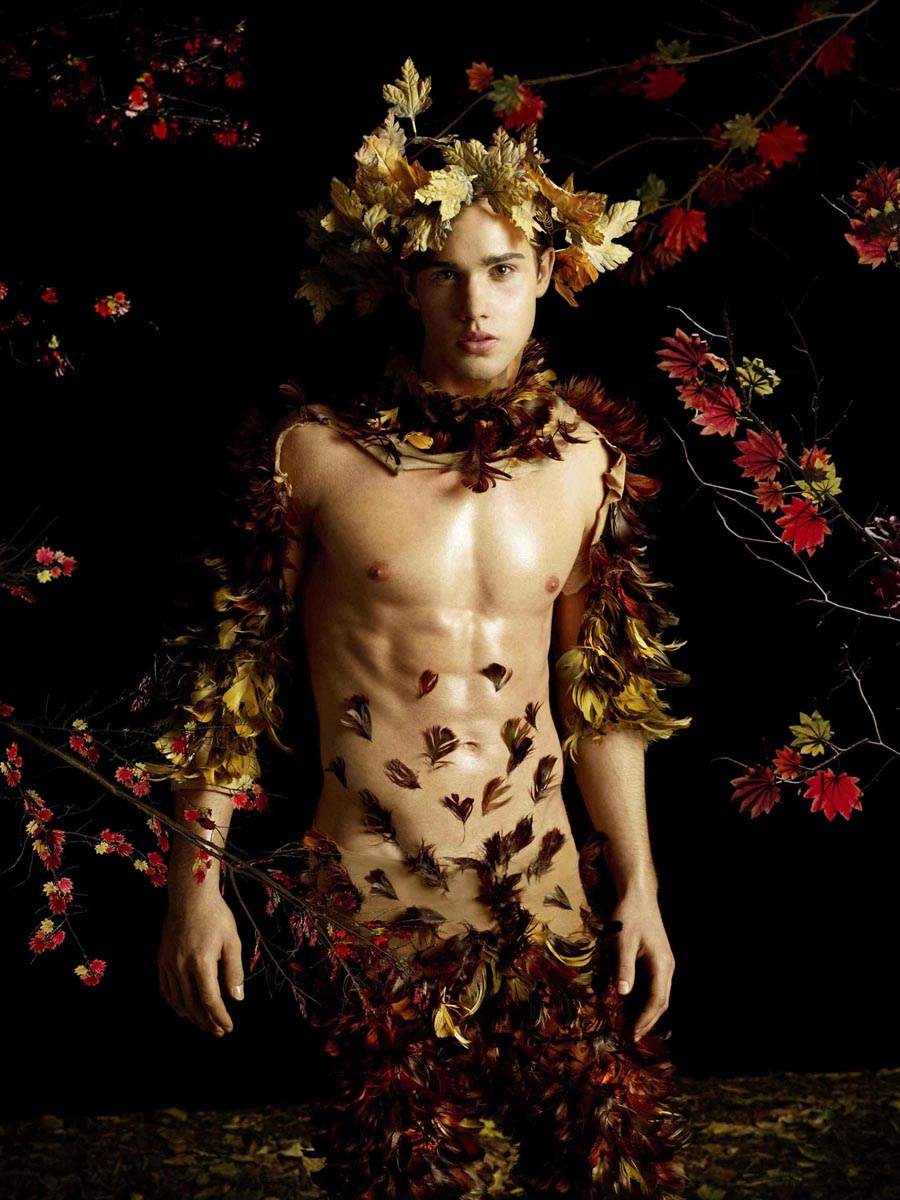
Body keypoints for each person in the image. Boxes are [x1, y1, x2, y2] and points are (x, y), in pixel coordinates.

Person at [150, 60, 693, 1200]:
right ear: (407, 286)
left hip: (543, 892)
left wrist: (639, 885)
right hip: (372, 900)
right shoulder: (315, 455)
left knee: (610, 1177)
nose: (475, 305)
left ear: (546, 275)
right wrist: (194, 888)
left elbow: (601, 699)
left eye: (500, 270)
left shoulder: (589, 464)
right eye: (445, 274)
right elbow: (228, 679)